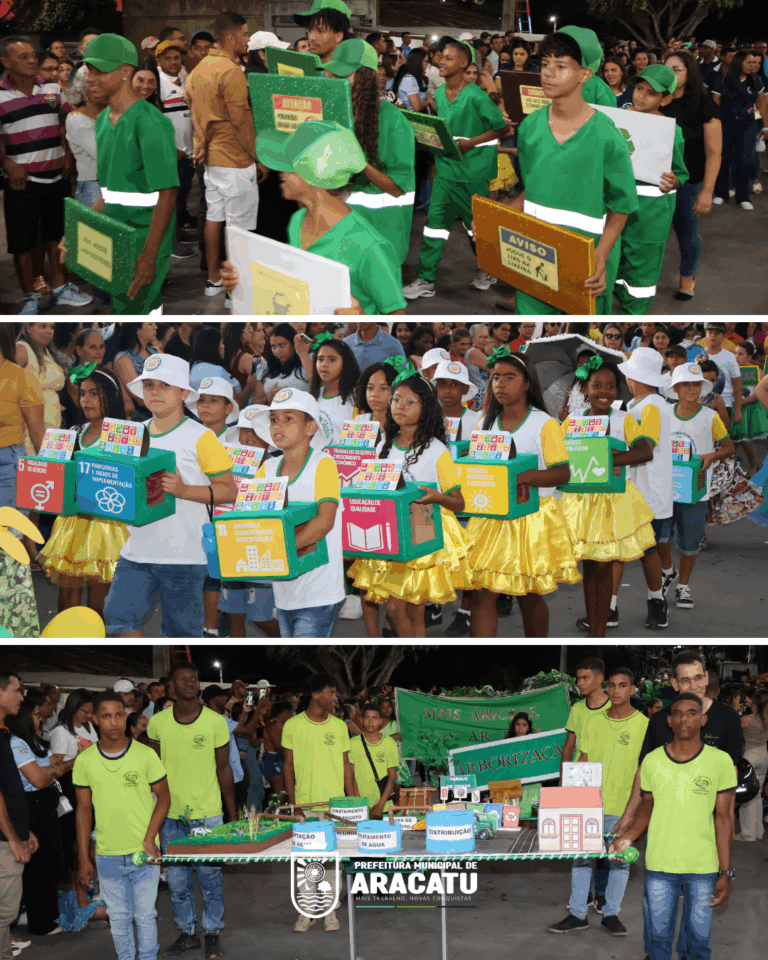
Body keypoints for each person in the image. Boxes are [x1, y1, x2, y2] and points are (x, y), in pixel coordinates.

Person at [103, 354, 237, 638]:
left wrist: (184, 490)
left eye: (165, 385)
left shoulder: (201, 437)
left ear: (184, 393)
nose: (155, 392)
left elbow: (229, 490)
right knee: (117, 623)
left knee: (181, 635)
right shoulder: (133, 434)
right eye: (149, 385)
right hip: (135, 551)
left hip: (184, 555)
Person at [504, 31, 637, 315]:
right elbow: (532, 190)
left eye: (561, 66)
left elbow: (621, 206)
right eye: (544, 64)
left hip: (585, 265)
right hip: (535, 258)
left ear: (584, 75)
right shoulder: (529, 128)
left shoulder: (607, 136)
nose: (548, 73)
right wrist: (495, 218)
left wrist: (601, 255)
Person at [220, 122, 407, 316]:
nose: (280, 172)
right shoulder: (298, 221)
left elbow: (397, 318)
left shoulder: (370, 247)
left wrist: (362, 320)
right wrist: (242, 282)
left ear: (314, 174)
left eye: (287, 165)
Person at [610, 692, 736, 960]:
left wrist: (725, 872)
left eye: (692, 713)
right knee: (658, 940)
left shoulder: (720, 761)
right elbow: (646, 807)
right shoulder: (653, 761)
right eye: (677, 714)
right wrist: (628, 837)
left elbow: (724, 819)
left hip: (703, 866)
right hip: (660, 864)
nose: (683, 719)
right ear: (669, 721)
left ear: (703, 720)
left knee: (699, 942)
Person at [350, 365, 472, 639]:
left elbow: (458, 502)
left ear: (426, 408)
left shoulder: (437, 450)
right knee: (412, 612)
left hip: (424, 535)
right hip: (391, 535)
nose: (400, 406)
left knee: (397, 609)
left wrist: (436, 496)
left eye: (409, 402)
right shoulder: (382, 444)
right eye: (396, 400)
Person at [466, 349, 580, 638]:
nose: (500, 384)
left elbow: (562, 473)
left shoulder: (544, 424)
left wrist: (521, 476)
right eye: (495, 378)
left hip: (531, 518)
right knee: (482, 594)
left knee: (529, 596)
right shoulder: (485, 421)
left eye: (509, 377)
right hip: (491, 518)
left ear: (527, 383)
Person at [78, 34, 180, 315]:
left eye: (100, 71)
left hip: (144, 240)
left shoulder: (151, 122)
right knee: (124, 312)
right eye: (89, 70)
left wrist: (149, 257)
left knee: (140, 317)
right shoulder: (103, 119)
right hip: (116, 238)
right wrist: (81, 229)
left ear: (125, 72)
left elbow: (168, 192)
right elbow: (110, 189)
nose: (90, 78)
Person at [559, 360, 656, 637]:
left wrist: (609, 459)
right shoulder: (573, 419)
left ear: (618, 390)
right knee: (590, 567)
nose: (604, 391)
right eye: (597, 385)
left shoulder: (624, 419)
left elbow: (645, 450)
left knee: (602, 567)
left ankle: (598, 631)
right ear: (585, 389)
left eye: (611, 386)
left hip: (613, 502)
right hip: (581, 502)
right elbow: (559, 453)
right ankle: (595, 626)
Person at [403, 41, 506, 300]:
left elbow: (501, 129)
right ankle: (426, 279)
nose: (441, 61)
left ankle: (489, 269)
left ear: (463, 64)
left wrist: (470, 143)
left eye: (448, 58)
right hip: (446, 171)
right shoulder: (439, 93)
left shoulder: (477, 96)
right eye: (440, 57)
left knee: (476, 231)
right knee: (434, 227)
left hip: (473, 175)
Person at [549, 667, 648, 937]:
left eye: (623, 685)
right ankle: (577, 914)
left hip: (622, 808)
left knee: (619, 862)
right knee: (581, 860)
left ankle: (611, 914)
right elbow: (583, 759)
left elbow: (643, 771)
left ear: (633, 689)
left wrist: (632, 812)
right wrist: (568, 798)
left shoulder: (643, 725)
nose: (616, 690)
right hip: (588, 805)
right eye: (612, 685)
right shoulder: (593, 722)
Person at [0, 36, 94, 314]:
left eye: (33, 55)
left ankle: (60, 288)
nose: (32, 60)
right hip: (22, 182)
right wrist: (6, 163)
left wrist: (68, 153)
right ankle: (29, 297)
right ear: (5, 62)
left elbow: (69, 117)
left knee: (57, 237)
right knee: (23, 244)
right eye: (24, 57)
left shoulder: (52, 88)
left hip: (57, 178)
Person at [148, 662, 234, 959]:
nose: (189, 682)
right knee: (177, 882)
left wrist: (232, 814)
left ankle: (212, 932)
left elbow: (224, 768)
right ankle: (187, 932)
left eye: (193, 678)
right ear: (171, 687)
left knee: (210, 878)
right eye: (182, 679)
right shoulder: (157, 723)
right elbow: (153, 771)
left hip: (207, 813)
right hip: (170, 815)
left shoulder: (215, 722)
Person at [74, 693, 170, 960]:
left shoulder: (145, 754)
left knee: (146, 915)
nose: (114, 722)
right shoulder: (85, 760)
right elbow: (83, 810)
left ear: (126, 716)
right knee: (118, 917)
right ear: (94, 719)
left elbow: (164, 798)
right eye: (106, 716)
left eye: (119, 715)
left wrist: (150, 838)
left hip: (144, 851)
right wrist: (84, 857)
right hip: (107, 854)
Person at [249, 391, 345, 638]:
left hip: (319, 590)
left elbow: (324, 522)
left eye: (288, 418)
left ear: (310, 427)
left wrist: (279, 549)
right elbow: (253, 522)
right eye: (273, 419)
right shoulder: (267, 469)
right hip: (283, 591)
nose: (278, 425)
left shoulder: (323, 464)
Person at [39, 368, 130, 618]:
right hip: (72, 523)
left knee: (99, 602)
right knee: (67, 599)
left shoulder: (122, 436)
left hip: (106, 526)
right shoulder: (74, 432)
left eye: (94, 394)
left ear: (111, 396)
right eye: (82, 394)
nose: (85, 400)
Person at [185, 12, 263, 299]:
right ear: (230, 38)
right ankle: (235, 290)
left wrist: (202, 142)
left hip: (213, 162)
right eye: (244, 34)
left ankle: (214, 278)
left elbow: (193, 113)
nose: (247, 39)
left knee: (214, 218)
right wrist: (258, 157)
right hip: (235, 160)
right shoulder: (230, 72)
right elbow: (241, 123)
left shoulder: (198, 70)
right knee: (240, 229)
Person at [324, 40, 416, 264]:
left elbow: (397, 189)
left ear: (367, 77)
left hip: (381, 236)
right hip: (343, 229)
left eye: (343, 75)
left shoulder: (394, 121)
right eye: (333, 74)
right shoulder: (339, 116)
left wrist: (360, 163)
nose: (334, 80)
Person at [282, 673, 355, 932]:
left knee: (332, 861)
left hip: (334, 808)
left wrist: (351, 805)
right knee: (305, 861)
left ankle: (330, 911)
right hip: (305, 806)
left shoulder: (339, 726)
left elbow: (346, 766)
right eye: (331, 692)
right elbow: (288, 766)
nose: (335, 698)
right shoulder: (292, 725)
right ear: (316, 694)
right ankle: (307, 911)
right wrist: (295, 805)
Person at [657, 363, 733, 609]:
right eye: (686, 384)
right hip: (665, 489)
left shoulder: (710, 417)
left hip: (695, 492)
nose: (691, 389)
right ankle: (668, 570)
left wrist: (712, 455)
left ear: (702, 388)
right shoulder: (663, 414)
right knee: (660, 538)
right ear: (676, 388)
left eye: (696, 384)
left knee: (690, 544)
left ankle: (683, 586)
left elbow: (728, 447)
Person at [615, 66, 689, 315]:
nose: (641, 96)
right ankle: (618, 293)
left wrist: (674, 181)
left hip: (651, 212)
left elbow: (680, 172)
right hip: (618, 203)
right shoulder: (618, 119)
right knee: (616, 252)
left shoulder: (670, 131)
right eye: (639, 88)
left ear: (665, 100)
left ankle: (634, 311)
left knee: (642, 261)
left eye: (651, 93)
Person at [615, 348, 673, 629]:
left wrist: (609, 458)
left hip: (647, 491)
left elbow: (646, 448)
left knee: (646, 549)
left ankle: (656, 601)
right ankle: (613, 607)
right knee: (620, 549)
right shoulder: (638, 405)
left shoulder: (651, 406)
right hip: (640, 489)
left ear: (633, 378)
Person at [660, 50, 721, 302]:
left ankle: (687, 277)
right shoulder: (655, 98)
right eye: (666, 68)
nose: (671, 73)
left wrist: (707, 191)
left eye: (677, 69)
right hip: (656, 181)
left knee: (686, 232)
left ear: (690, 72)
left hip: (689, 182)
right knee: (651, 233)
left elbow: (714, 152)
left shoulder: (703, 103)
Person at [7, 696, 69, 936]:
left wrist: (55, 768)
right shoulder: (15, 743)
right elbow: (39, 779)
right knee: (40, 866)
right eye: (35, 714)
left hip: (45, 806)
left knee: (49, 863)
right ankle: (40, 921)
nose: (40, 718)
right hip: (33, 807)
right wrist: (56, 769)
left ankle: (43, 913)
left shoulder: (30, 741)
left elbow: (52, 763)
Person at [0, 673, 38, 960]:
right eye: (16, 690)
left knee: (6, 914)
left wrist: (24, 831)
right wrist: (13, 838)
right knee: (4, 912)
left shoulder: (3, 733)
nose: (22, 697)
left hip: (10, 835)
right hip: (4, 841)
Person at [155, 39, 196, 255]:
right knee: (169, 201)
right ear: (158, 60)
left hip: (188, 153)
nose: (173, 62)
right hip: (172, 155)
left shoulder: (185, 79)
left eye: (176, 57)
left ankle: (178, 234)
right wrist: (171, 149)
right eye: (167, 58)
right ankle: (171, 243)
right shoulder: (157, 84)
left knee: (181, 199)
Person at [712, 50, 767, 210]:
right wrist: (714, 126)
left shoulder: (755, 80)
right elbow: (715, 104)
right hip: (725, 125)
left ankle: (743, 197)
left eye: (754, 63)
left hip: (747, 125)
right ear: (739, 63)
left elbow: (761, 103)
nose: (752, 66)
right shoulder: (723, 79)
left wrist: (766, 126)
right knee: (724, 158)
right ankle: (721, 194)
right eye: (748, 62)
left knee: (743, 159)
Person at [0, 325, 44, 519]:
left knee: (7, 532)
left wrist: (49, 470)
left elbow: (38, 432)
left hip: (6, 465)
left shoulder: (21, 377)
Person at [309, 333, 361, 447]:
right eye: (320, 359)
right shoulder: (312, 398)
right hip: (315, 458)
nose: (324, 364)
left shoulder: (356, 398)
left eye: (332, 360)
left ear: (345, 364)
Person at [349, 702, 398, 817]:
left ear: (381, 721)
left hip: (384, 805)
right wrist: (361, 803)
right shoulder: (352, 743)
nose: (371, 722)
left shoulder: (389, 743)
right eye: (367, 718)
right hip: (360, 805)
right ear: (361, 720)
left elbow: (392, 776)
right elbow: (351, 775)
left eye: (375, 718)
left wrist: (380, 805)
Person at [736, 686, 768, 841]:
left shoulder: (747, 719)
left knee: (747, 795)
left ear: (755, 702)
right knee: (758, 794)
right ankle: (758, 831)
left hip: (750, 755)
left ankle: (747, 833)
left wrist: (737, 707)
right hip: (764, 754)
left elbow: (733, 726)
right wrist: (751, 704)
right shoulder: (766, 719)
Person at [113, 322, 159, 420]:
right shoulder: (123, 359)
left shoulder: (154, 351)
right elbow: (140, 397)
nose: (155, 327)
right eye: (150, 324)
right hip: (146, 416)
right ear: (137, 329)